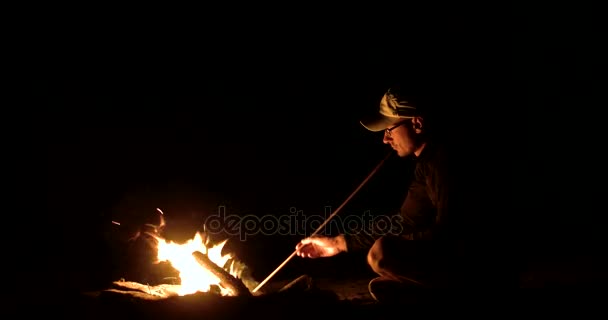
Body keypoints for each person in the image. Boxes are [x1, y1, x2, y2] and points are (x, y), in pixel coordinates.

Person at [295, 84, 465, 302]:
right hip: (457, 256)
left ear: (417, 123)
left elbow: (451, 234)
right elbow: (405, 221)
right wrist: (337, 243)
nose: (385, 139)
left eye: (389, 129)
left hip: (476, 260)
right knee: (385, 268)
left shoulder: (447, 163)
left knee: (382, 252)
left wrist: (395, 246)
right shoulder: (426, 164)